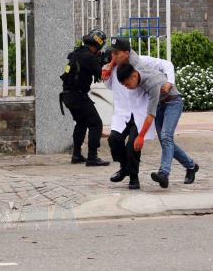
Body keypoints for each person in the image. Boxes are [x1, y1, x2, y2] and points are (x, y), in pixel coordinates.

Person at [102, 37, 176, 189]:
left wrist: (170, 82)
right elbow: (109, 86)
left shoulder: (141, 62)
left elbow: (167, 64)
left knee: (133, 146)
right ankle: (124, 168)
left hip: (139, 112)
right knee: (114, 140)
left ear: (127, 53)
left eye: (116, 54)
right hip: (123, 113)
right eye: (112, 54)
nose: (113, 57)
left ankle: (134, 178)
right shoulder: (113, 66)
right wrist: (106, 73)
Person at [117, 63, 199, 189]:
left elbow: (150, 115)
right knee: (166, 142)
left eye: (127, 84)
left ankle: (164, 174)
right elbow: (128, 52)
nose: (127, 88)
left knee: (166, 137)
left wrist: (141, 136)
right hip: (161, 105)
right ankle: (191, 165)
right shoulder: (137, 70)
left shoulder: (151, 84)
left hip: (173, 102)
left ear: (134, 76)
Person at [59, 28, 109, 166]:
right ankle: (92, 157)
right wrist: (106, 63)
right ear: (98, 44)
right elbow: (102, 75)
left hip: (67, 95)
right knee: (96, 123)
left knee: (81, 123)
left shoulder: (78, 52)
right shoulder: (89, 57)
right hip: (77, 95)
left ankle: (76, 155)